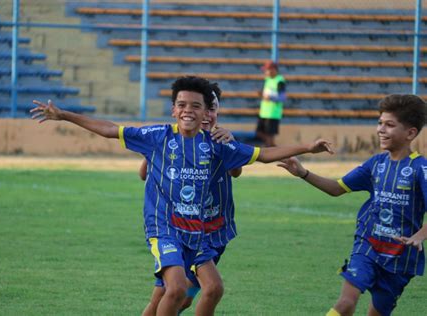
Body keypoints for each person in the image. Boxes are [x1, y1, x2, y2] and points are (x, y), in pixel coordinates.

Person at [31, 76, 333, 316]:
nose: (189, 110)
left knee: (211, 289)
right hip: (165, 228)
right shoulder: (158, 136)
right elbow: (111, 130)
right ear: (174, 109)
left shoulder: (218, 144)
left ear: (206, 113)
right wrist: (64, 115)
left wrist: (308, 147)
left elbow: (263, 155)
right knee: (173, 291)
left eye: (197, 106)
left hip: (201, 232)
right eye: (182, 105)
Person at [278, 94, 427, 316]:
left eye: (389, 125)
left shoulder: (420, 168)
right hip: (368, 245)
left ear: (410, 133)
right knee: (346, 303)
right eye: (379, 123)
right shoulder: (375, 164)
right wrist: (303, 173)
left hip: (400, 256)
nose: (380, 130)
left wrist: (420, 235)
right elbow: (337, 188)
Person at [141, 84, 242, 315]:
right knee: (171, 294)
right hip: (183, 229)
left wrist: (231, 142)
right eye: (204, 108)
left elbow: (236, 171)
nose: (207, 115)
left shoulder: (220, 142)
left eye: (212, 109)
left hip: (214, 231)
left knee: (183, 299)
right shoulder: (172, 141)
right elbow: (143, 173)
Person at [256, 60, 286, 147]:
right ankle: (276, 151)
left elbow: (282, 97)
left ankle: (274, 152)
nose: (265, 72)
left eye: (267, 70)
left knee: (269, 138)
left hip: (273, 113)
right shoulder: (268, 79)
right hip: (264, 112)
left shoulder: (280, 81)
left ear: (273, 69)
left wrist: (270, 98)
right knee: (259, 133)